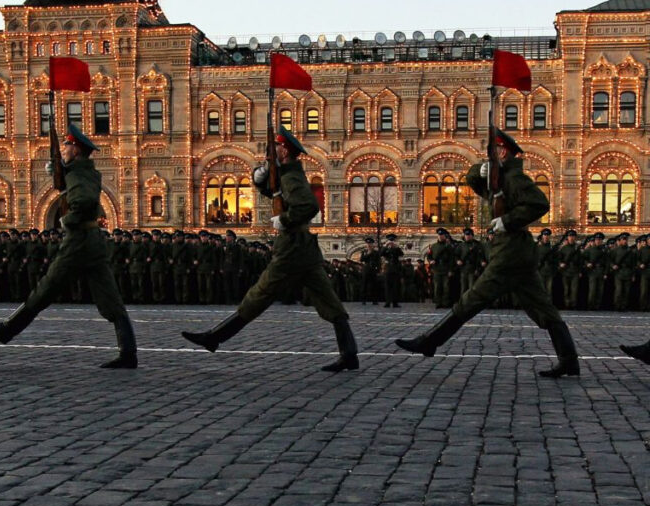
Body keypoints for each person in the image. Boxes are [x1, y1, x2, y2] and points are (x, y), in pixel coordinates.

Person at [395, 129, 580, 377]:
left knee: (471, 299)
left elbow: (539, 203)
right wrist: (478, 170)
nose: (491, 155)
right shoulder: (500, 178)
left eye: (494, 151)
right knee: (543, 308)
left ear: (503, 152)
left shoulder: (513, 179)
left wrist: (508, 221)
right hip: (516, 252)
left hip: (510, 251)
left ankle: (430, 342)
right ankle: (569, 360)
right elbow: (474, 182)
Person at [180, 128, 359, 372]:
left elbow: (308, 206)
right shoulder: (287, 174)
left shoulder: (291, 177)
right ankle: (349, 354)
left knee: (260, 293)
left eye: (276, 146)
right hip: (304, 249)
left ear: (284, 150)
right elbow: (272, 191)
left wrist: (284, 220)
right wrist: (261, 176)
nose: (272, 150)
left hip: (292, 248)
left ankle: (215, 338)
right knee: (328, 300)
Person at [0, 124, 138, 369]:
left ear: (77, 149)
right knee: (110, 298)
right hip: (93, 242)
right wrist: (62, 176)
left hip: (78, 242)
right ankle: (128, 352)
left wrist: (67, 219)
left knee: (46, 288)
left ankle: (7, 329)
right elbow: (77, 190)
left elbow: (82, 200)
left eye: (67, 145)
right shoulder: (86, 171)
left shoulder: (77, 174)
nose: (64, 148)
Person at [380, 233, 403, 307]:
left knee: (395, 287)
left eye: (392, 240)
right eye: (390, 240)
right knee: (387, 286)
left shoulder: (396, 249)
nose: (391, 242)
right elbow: (380, 253)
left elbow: (401, 254)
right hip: (388, 269)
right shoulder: (385, 249)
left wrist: (396, 247)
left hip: (396, 269)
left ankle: (395, 302)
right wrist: (385, 246)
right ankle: (387, 302)